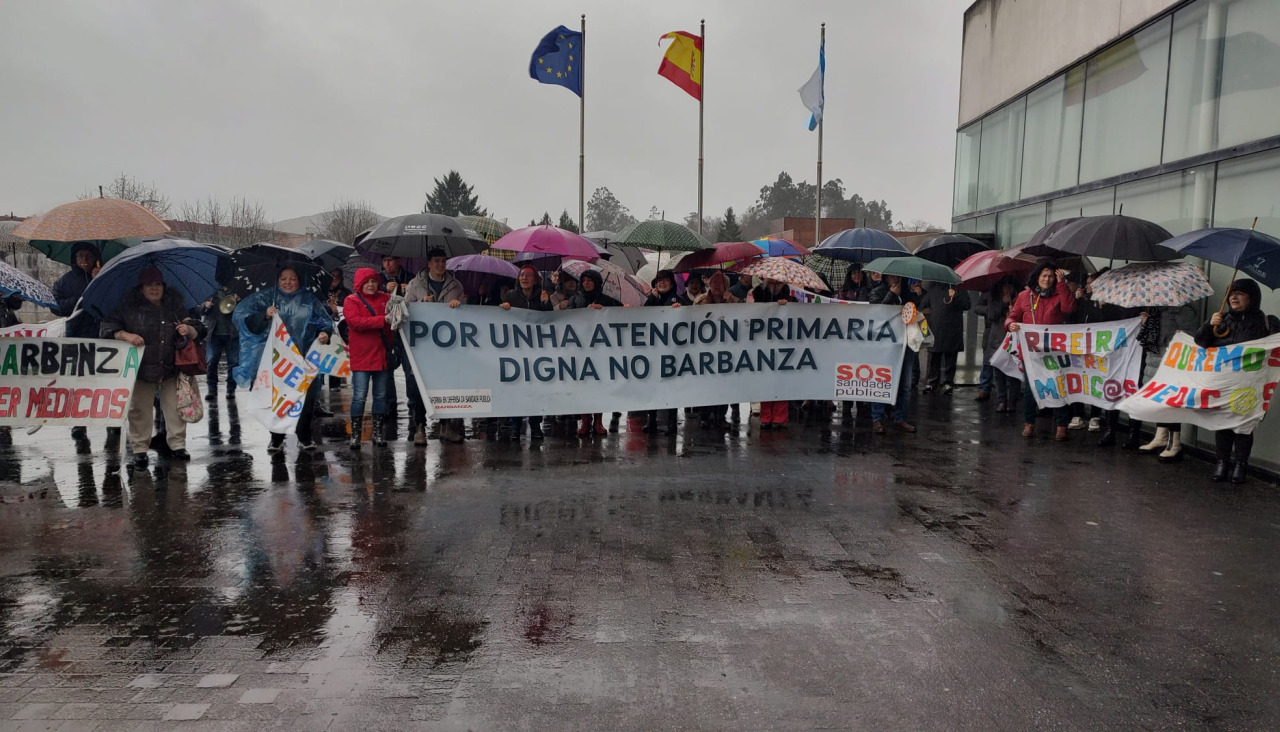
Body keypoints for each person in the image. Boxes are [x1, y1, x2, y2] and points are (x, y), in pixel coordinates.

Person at [101, 268, 206, 469]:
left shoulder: (174, 307)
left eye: (158, 284)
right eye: (149, 284)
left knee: (175, 409)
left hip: (171, 367)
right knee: (139, 410)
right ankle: (140, 449)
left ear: (163, 287)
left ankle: (178, 445)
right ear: (141, 288)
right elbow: (107, 329)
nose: (154, 288)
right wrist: (125, 335)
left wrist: (189, 329)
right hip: (140, 369)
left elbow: (199, 328)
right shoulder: (127, 308)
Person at [233, 267, 333, 452]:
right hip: (276, 359)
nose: (288, 282)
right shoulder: (265, 298)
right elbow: (244, 319)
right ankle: (276, 437)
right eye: (283, 278)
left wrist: (325, 334)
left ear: (299, 280)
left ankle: (304, 435)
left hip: (303, 359)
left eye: (292, 278)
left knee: (306, 397)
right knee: (277, 397)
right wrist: (264, 315)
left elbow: (325, 322)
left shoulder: (309, 299)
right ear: (277, 280)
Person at [1195, 279, 1270, 484]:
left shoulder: (1265, 322)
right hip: (1224, 383)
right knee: (1224, 423)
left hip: (1249, 385)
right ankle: (1222, 462)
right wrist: (1210, 325)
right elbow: (1200, 343)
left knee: (1244, 426)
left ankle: (1240, 465)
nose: (1234, 297)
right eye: (1231, 294)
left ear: (1252, 298)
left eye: (1240, 294)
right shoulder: (1222, 319)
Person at [1006, 262, 1077, 440]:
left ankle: (1061, 425)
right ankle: (1029, 423)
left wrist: (1062, 286)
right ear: (1037, 277)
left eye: (1051, 276)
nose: (1047, 279)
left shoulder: (1060, 293)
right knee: (1030, 390)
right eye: (1044, 275)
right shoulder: (1024, 296)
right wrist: (1010, 324)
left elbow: (1069, 309)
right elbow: (1013, 316)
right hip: (1031, 354)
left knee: (1058, 387)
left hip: (1053, 352)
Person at [404, 248, 466, 443]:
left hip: (446, 346)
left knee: (444, 385)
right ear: (429, 263)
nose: (440, 265)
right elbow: (404, 309)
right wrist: (422, 302)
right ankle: (420, 427)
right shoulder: (415, 284)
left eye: (443, 261)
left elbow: (466, 314)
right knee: (419, 387)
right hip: (421, 346)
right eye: (436, 261)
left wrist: (459, 305)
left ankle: (445, 427)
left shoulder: (456, 285)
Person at [343, 268, 394, 450]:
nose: (371, 285)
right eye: (367, 282)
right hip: (362, 357)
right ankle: (355, 435)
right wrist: (383, 320)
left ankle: (378, 433)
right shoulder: (351, 301)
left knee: (380, 396)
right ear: (359, 284)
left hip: (381, 354)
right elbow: (356, 323)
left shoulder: (386, 298)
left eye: (373, 281)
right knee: (359, 396)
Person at [501, 265, 553, 439]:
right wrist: (504, 308)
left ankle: (535, 424)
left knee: (536, 389)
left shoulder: (543, 296)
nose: (524, 278)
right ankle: (515, 425)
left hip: (537, 350)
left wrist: (546, 303)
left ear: (535, 279)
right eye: (521, 275)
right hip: (516, 350)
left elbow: (551, 322)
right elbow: (499, 319)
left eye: (528, 275)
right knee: (517, 388)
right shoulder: (511, 296)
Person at [569, 269, 621, 436]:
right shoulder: (575, 299)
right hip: (580, 351)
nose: (586, 283)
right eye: (583, 280)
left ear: (597, 283)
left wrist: (604, 310)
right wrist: (585, 310)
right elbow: (566, 319)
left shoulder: (607, 301)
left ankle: (598, 421)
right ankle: (585, 421)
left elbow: (622, 316)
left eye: (590, 280)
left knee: (599, 386)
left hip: (601, 351)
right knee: (583, 387)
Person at [868, 275, 919, 434]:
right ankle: (877, 418)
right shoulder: (878, 292)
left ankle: (900, 418)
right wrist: (891, 294)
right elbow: (877, 313)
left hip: (905, 344)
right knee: (881, 381)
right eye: (892, 276)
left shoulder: (908, 294)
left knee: (905, 384)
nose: (895, 279)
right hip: (884, 346)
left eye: (898, 276)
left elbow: (915, 312)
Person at [378, 255, 420, 439]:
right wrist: (383, 291)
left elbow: (417, 304)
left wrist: (407, 291)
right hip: (387, 333)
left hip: (407, 332)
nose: (388, 264)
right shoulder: (378, 280)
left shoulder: (411, 279)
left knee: (409, 371)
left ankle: (413, 405)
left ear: (399, 261)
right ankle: (389, 406)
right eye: (385, 260)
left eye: (391, 260)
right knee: (386, 371)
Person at [643, 270, 688, 435]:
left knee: (671, 387)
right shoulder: (652, 299)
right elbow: (642, 316)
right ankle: (651, 419)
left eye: (665, 280)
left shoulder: (679, 300)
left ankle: (671, 422)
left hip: (672, 352)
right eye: (658, 280)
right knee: (652, 386)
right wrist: (652, 298)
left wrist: (680, 310)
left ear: (672, 282)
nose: (661, 283)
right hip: (654, 351)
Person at [693, 271, 740, 429]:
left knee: (724, 384)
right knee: (706, 385)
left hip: (726, 351)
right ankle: (705, 416)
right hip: (706, 349)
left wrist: (729, 305)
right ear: (709, 285)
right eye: (714, 283)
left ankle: (720, 416)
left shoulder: (733, 300)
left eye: (720, 283)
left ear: (726, 285)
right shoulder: (700, 301)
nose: (717, 286)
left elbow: (744, 318)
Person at [751, 278, 796, 429]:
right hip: (764, 342)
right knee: (766, 381)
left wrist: (786, 304)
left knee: (781, 381)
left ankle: (780, 417)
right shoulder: (758, 292)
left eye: (778, 283)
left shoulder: (788, 295)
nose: (775, 286)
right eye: (772, 283)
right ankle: (766, 416)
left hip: (783, 344)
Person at [974, 278, 1020, 412]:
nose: (1007, 289)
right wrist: (1003, 304)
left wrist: (1014, 311)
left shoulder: (1020, 298)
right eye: (1005, 286)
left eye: (1009, 286)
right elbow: (992, 315)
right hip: (997, 338)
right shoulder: (994, 298)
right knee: (998, 371)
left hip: (1014, 340)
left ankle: (1012, 401)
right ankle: (1001, 400)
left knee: (1013, 373)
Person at [920, 282, 971, 394]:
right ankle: (932, 382)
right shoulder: (933, 290)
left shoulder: (960, 289)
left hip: (953, 329)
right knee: (934, 358)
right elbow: (923, 305)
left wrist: (955, 296)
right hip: (936, 329)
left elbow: (967, 305)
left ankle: (948, 383)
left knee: (950, 358)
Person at [199, 288, 239, 401]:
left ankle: (231, 389)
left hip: (232, 333)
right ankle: (212, 388)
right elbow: (199, 310)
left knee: (234, 362)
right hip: (213, 333)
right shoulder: (210, 291)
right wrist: (205, 306)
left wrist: (239, 301)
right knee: (211, 361)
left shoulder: (237, 290)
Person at [326, 267, 352, 391]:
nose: (334, 279)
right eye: (331, 276)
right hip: (324, 329)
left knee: (336, 356)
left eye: (337, 276)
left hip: (341, 329)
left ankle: (334, 384)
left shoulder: (346, 293)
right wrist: (328, 308)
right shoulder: (321, 291)